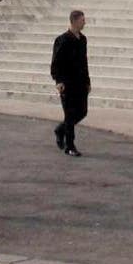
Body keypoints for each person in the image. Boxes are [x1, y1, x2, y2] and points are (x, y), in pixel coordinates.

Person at [50, 8, 90, 157]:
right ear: (74, 21)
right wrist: (58, 80)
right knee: (69, 113)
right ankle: (70, 145)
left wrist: (87, 81)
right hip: (67, 83)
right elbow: (55, 62)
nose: (84, 22)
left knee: (82, 111)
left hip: (80, 82)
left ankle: (60, 129)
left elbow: (84, 62)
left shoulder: (83, 39)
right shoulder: (62, 40)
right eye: (82, 20)